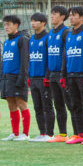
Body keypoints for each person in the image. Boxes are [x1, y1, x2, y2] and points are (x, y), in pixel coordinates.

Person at [61, 6, 83, 144]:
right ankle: (79, 134)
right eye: (70, 15)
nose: (70, 18)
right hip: (71, 75)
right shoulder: (69, 35)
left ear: (82, 17)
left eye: (73, 15)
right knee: (74, 105)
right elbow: (65, 56)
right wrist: (63, 75)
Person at [0, 15, 31, 141]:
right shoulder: (7, 42)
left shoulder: (22, 39)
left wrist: (22, 77)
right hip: (7, 78)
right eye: (5, 25)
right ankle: (15, 132)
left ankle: (25, 133)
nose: (6, 27)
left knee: (21, 104)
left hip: (17, 76)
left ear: (16, 25)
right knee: (11, 105)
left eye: (9, 24)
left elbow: (24, 60)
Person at [28, 12, 55, 142]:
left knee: (47, 106)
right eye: (32, 21)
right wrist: (29, 75)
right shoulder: (32, 39)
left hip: (44, 78)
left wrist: (47, 76)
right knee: (37, 107)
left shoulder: (48, 37)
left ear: (43, 23)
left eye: (36, 21)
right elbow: (29, 59)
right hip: (33, 77)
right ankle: (42, 132)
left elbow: (50, 58)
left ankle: (50, 134)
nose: (33, 23)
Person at [45, 6, 71, 142]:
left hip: (63, 74)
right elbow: (50, 54)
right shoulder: (50, 33)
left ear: (62, 16)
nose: (52, 16)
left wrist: (63, 73)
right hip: (52, 74)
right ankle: (62, 134)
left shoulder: (66, 32)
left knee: (70, 104)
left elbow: (66, 54)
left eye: (55, 14)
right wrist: (47, 74)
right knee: (58, 104)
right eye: (51, 13)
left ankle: (79, 133)